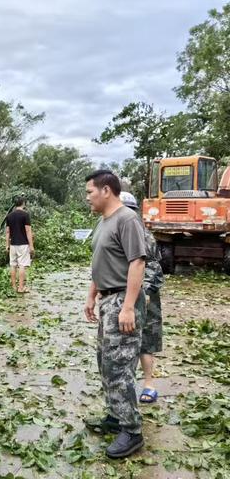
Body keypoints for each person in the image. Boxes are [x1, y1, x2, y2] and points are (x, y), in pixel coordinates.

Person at [83, 170, 147, 459]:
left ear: (106, 190)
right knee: (106, 362)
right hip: (108, 299)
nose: (87, 197)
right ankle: (115, 415)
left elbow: (137, 263)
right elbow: (101, 260)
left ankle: (132, 431)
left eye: (90, 192)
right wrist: (91, 295)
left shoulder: (127, 219)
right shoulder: (103, 221)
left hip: (123, 299)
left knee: (120, 367)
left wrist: (129, 306)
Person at [120, 191, 164, 403]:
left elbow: (153, 265)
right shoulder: (117, 232)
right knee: (124, 341)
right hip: (124, 295)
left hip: (145, 296)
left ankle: (148, 384)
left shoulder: (143, 235)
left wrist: (144, 291)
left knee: (146, 340)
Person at [5, 197, 34, 293]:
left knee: (12, 265)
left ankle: (13, 287)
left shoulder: (9, 216)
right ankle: (21, 288)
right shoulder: (25, 215)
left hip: (13, 244)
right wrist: (31, 245)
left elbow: (8, 232)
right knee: (22, 265)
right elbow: (28, 230)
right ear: (23, 203)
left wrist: (7, 245)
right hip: (23, 244)